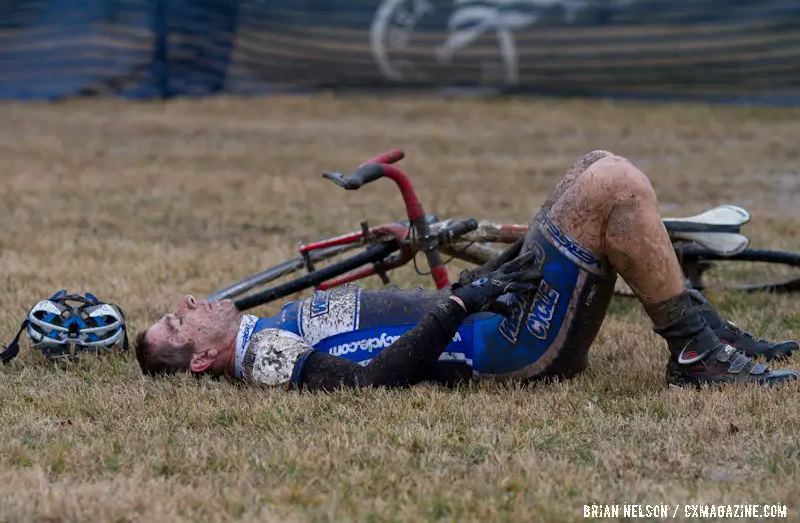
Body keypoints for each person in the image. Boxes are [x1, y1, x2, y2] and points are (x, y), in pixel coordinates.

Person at [135, 150, 799, 390]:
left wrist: (476, 290)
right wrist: (462, 301)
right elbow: (369, 382)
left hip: (495, 320)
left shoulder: (269, 327)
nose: (190, 301)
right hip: (508, 346)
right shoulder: (262, 355)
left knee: (595, 170)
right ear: (200, 361)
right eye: (176, 321)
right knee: (611, 183)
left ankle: (703, 338)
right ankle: (697, 355)